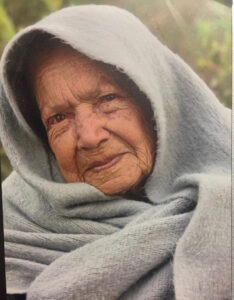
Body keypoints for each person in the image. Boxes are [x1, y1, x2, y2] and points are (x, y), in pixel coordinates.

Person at [0, 5, 231, 300]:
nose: (90, 137)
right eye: (58, 119)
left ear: (155, 99)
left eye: (108, 98)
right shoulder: (18, 228)